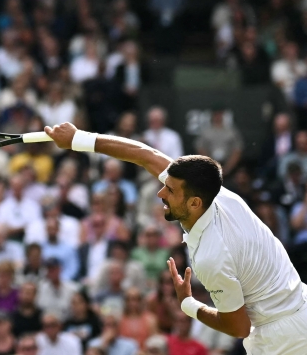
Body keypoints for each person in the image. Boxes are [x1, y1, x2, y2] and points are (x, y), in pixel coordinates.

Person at [44, 121, 307, 354]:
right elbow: (145, 155)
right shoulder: (220, 195)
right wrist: (78, 138)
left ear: (194, 203)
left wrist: (189, 305)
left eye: (169, 190)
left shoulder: (211, 257)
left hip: (281, 341)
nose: (160, 194)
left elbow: (238, 327)